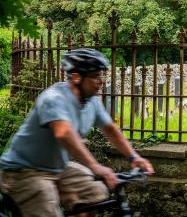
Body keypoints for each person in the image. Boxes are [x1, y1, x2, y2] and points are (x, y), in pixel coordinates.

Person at [0, 48, 154, 217]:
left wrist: (133, 156)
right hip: (23, 172)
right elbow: (63, 133)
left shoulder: (91, 102)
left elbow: (110, 129)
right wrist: (95, 166)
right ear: (76, 77)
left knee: (96, 193)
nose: (101, 81)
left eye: (102, 75)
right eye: (95, 76)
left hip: (57, 167)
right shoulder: (54, 98)